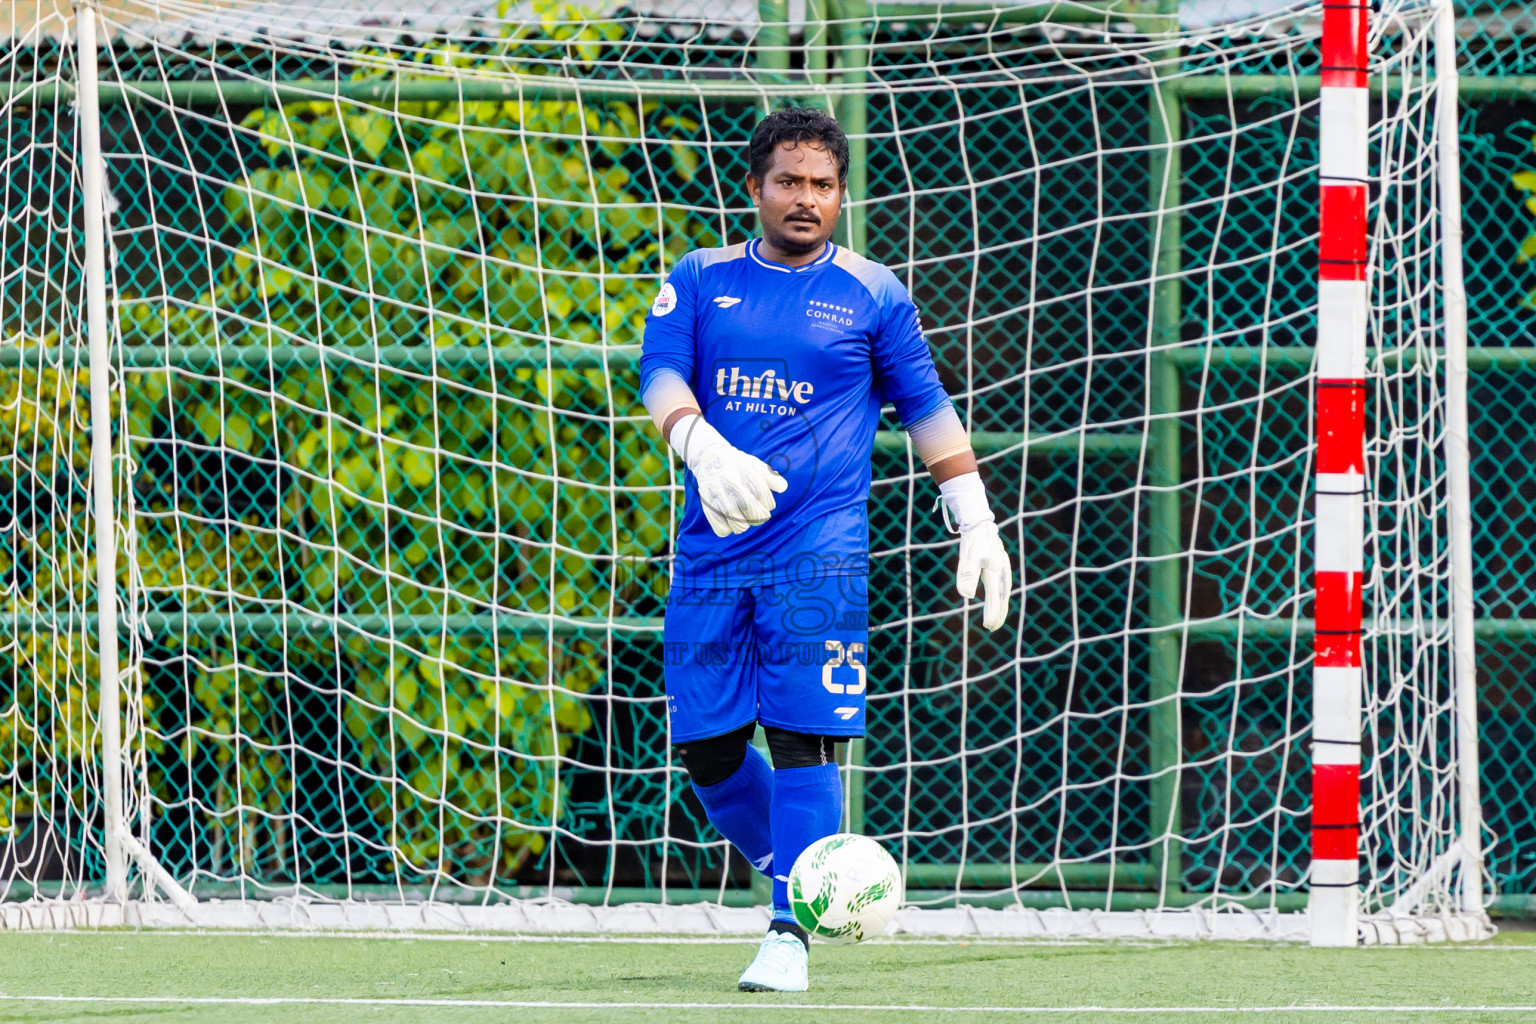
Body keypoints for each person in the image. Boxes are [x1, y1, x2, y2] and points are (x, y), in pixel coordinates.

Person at [638, 106, 1012, 992]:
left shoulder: (874, 292)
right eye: (788, 181)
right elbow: (661, 373)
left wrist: (976, 517)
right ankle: (816, 878)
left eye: (822, 184)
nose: (805, 197)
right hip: (712, 551)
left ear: (841, 194)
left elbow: (926, 408)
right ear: (755, 187)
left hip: (820, 557)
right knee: (709, 753)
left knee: (803, 740)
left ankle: (788, 934)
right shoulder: (699, 277)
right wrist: (700, 444)